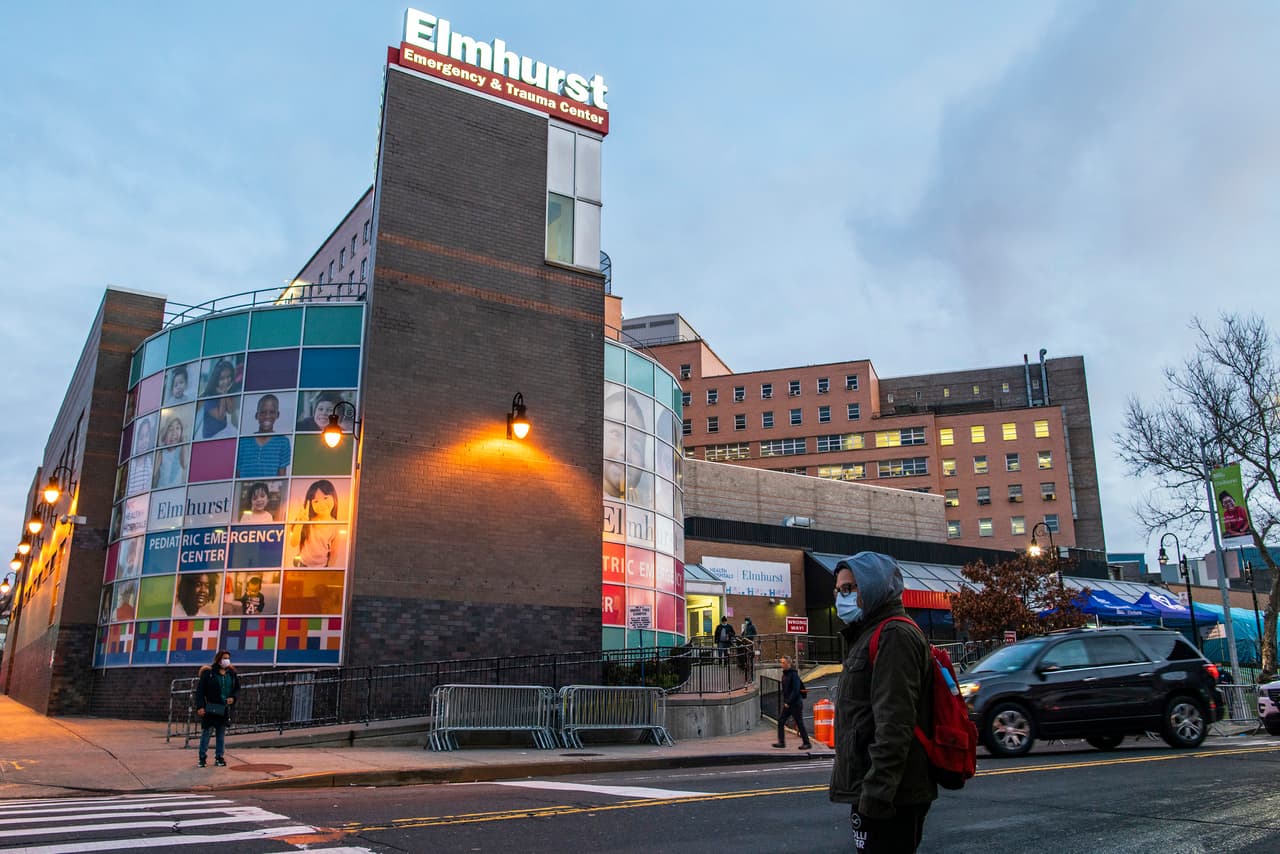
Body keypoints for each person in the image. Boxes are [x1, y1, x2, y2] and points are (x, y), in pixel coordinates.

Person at [830, 551, 936, 853]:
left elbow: (894, 723)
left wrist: (876, 794)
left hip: (891, 797)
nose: (841, 597)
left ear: (874, 587)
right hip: (873, 790)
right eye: (838, 590)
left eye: (849, 589)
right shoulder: (869, 634)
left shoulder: (894, 636)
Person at [194, 649, 240, 768]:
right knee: (207, 733)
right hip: (211, 706)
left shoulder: (231, 673)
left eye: (228, 658)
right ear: (218, 659)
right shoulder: (209, 673)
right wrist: (200, 706)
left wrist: (233, 698)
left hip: (224, 708)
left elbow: (236, 689)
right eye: (224, 658)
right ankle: (202, 758)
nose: (226, 660)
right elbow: (200, 691)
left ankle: (219, 757)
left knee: (221, 734)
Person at [236, 395, 291, 477]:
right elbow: (237, 474)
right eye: (263, 412)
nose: (267, 416)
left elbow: (281, 477)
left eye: (272, 412)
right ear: (256, 415)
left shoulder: (283, 442)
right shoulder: (243, 442)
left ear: (277, 415)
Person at [289, 480, 340, 567]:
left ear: (334, 497)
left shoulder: (335, 525)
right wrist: (300, 523)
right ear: (310, 503)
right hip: (303, 565)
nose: (321, 504)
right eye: (316, 501)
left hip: (322, 567)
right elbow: (293, 543)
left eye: (325, 498)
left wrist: (328, 571)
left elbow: (334, 553)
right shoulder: (308, 520)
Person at [773, 655, 812, 750]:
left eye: (783, 663)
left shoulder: (793, 675)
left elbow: (796, 690)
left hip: (795, 704)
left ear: (789, 664)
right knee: (781, 721)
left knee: (799, 723)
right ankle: (781, 742)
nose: (782, 664)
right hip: (788, 703)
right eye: (781, 662)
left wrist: (788, 702)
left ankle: (807, 743)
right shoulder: (785, 674)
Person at [153, 417, 189, 489]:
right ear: (165, 434)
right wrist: (159, 447)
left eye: (178, 428)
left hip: (176, 490)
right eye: (171, 429)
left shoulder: (181, 449)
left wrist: (184, 442)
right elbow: (153, 472)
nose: (174, 433)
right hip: (161, 489)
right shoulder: (163, 451)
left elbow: (184, 464)